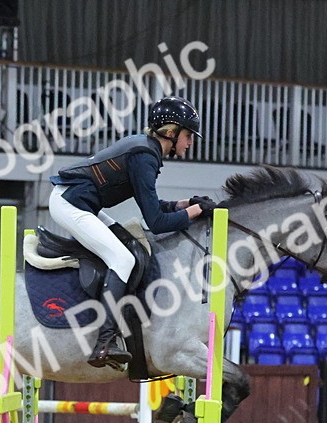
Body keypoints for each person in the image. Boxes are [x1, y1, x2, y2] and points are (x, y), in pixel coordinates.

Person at [49, 96, 213, 368]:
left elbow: (155, 207)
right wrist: (195, 212)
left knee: (129, 247)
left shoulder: (146, 150)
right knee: (123, 259)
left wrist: (188, 204)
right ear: (170, 133)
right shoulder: (144, 156)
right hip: (70, 203)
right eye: (188, 135)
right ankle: (105, 342)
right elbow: (158, 222)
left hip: (83, 203)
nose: (190, 142)